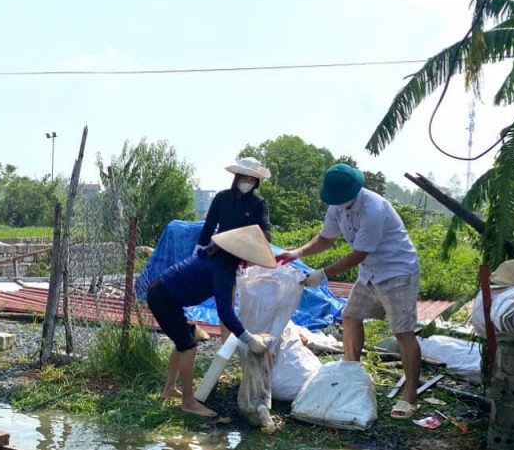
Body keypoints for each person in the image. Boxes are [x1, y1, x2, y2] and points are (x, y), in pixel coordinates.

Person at [278, 163, 422, 419]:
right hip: (370, 273)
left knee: (403, 332)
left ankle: (410, 396)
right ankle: (351, 375)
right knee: (350, 316)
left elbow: (359, 254)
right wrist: (297, 252)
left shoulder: (373, 210)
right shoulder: (337, 206)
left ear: (354, 191)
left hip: (397, 271)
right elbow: (326, 239)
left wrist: (323, 274)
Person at [147, 226, 274, 418]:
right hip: (164, 298)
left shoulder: (214, 256)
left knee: (185, 338)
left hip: (163, 293)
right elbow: (225, 314)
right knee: (188, 347)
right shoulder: (222, 270)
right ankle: (188, 403)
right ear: (239, 253)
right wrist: (249, 339)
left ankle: (169, 389)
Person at [197, 156, 272, 249]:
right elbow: (209, 226)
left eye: (252, 180)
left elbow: (266, 233)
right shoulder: (221, 197)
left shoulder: (259, 203)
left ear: (256, 183)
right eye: (244, 179)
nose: (247, 183)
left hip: (247, 251)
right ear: (237, 179)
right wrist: (200, 246)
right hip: (221, 248)